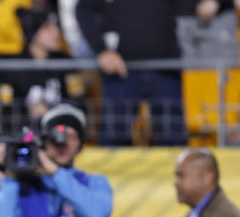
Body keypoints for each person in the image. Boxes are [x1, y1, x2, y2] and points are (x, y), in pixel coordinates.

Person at [76, 0, 183, 145]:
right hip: (120, 72)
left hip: (166, 69)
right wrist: (101, 50)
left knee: (173, 137)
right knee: (114, 137)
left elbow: (192, 6)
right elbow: (84, 10)